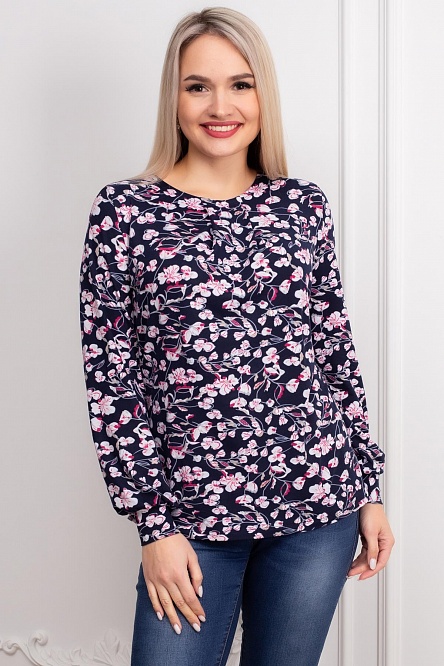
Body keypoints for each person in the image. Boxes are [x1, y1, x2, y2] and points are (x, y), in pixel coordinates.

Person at [79, 7, 395, 666]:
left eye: (240, 84)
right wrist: (155, 525)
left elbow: (332, 350)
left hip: (318, 506)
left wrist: (367, 489)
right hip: (188, 520)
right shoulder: (124, 212)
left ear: (262, 95)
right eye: (198, 86)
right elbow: (112, 379)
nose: (220, 106)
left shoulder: (301, 205)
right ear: (174, 98)